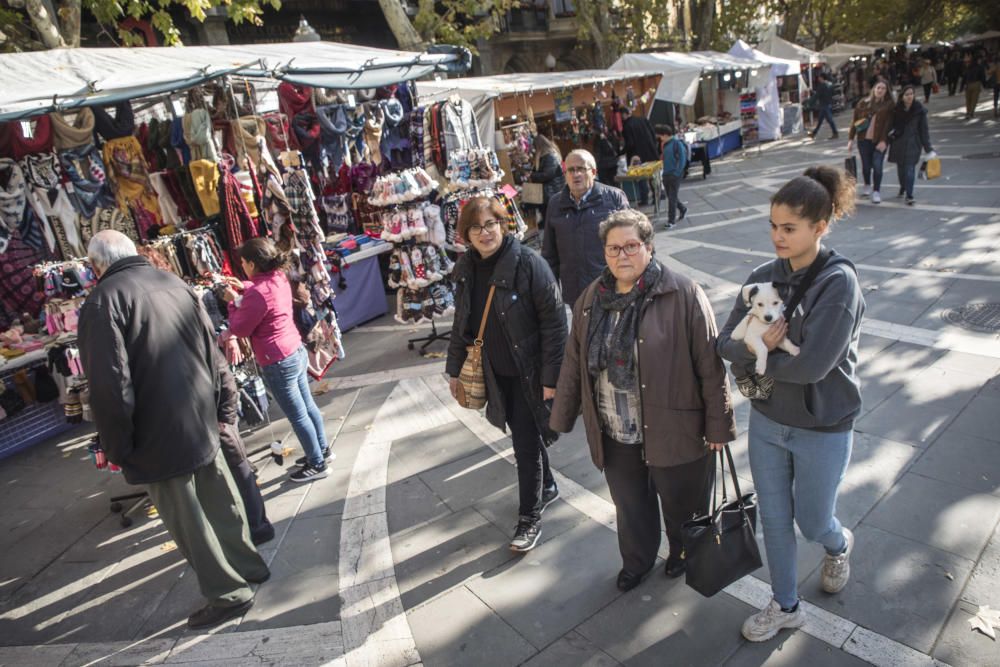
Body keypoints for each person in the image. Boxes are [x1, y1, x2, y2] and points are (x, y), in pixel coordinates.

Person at [78, 230, 269, 630]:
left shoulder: (102, 302)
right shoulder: (172, 282)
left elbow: (110, 386)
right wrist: (224, 405)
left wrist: (117, 445)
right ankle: (249, 567)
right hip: (200, 416)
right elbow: (211, 349)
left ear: (97, 266)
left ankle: (228, 593)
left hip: (157, 433)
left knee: (191, 520)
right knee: (222, 502)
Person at [550, 209, 736, 592]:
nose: (622, 255)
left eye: (631, 246)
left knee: (682, 503)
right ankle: (637, 560)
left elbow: (710, 365)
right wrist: (560, 416)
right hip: (614, 429)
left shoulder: (682, 293)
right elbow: (574, 359)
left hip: (674, 427)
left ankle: (683, 553)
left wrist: (718, 425)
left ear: (649, 247)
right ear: (603, 253)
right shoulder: (591, 298)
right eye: (613, 248)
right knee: (631, 507)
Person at [717, 166, 864, 643]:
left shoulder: (837, 283)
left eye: (789, 228)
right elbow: (723, 342)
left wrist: (761, 359)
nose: (777, 237)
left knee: (814, 520)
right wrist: (755, 350)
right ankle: (785, 605)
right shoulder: (762, 278)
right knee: (776, 520)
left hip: (823, 424)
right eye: (773, 226)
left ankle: (837, 544)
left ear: (820, 227)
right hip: (767, 421)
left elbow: (813, 367)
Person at [446, 196, 567, 552]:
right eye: (475, 227)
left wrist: (551, 378)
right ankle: (547, 487)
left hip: (528, 372)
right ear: (465, 234)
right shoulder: (466, 269)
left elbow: (555, 325)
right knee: (523, 434)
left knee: (525, 445)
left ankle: (529, 518)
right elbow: (460, 324)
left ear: (503, 224)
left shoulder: (529, 264)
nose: (485, 233)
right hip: (496, 374)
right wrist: (454, 369)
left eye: (490, 224)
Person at [219, 237, 330, 483]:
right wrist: (244, 289)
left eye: (243, 262)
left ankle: (317, 463)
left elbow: (241, 328)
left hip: (277, 359)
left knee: (298, 415)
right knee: (307, 405)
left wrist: (231, 303)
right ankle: (321, 450)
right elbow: (260, 297)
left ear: (250, 263)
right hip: (295, 350)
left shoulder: (258, 292)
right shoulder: (278, 278)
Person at [542, 149, 630, 309]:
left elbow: (631, 243)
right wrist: (551, 293)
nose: (576, 175)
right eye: (571, 170)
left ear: (594, 172)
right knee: (583, 334)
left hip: (611, 287)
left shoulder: (614, 198)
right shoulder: (555, 204)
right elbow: (549, 255)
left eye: (581, 169)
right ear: (565, 173)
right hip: (575, 293)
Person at [215, 352, 274, 545]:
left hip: (216, 423)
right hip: (210, 423)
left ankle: (257, 528)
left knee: (239, 471)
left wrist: (227, 419)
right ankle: (253, 528)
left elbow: (225, 376)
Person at [847, 77, 894, 203]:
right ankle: (867, 184)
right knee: (866, 166)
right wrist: (851, 138)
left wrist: (884, 140)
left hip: (880, 141)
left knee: (877, 166)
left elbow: (889, 125)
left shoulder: (889, 105)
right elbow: (855, 121)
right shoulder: (863, 103)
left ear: (886, 91)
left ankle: (876, 191)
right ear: (874, 89)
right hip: (864, 140)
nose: (880, 90)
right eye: (878, 88)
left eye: (883, 88)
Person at [888, 85, 935, 206]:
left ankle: (909, 195)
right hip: (898, 143)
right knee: (901, 169)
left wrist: (928, 148)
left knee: (909, 169)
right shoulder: (896, 110)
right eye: (907, 94)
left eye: (911, 94)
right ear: (902, 97)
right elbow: (890, 126)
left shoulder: (919, 110)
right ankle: (903, 187)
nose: (909, 96)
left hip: (913, 143)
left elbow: (924, 130)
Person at [620, 106, 660, 206]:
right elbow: (652, 134)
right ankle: (657, 195)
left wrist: (620, 152)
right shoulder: (643, 119)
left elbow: (630, 143)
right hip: (651, 152)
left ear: (624, 115)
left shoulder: (627, 126)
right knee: (652, 175)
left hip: (637, 156)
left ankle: (644, 198)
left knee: (641, 177)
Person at [527, 135, 566, 229]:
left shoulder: (550, 156)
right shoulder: (546, 156)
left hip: (551, 191)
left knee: (552, 215)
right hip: (549, 191)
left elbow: (547, 175)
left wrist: (532, 175)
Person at [660, 126, 688, 230]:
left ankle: (671, 221)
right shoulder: (665, 145)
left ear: (666, 135)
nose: (660, 138)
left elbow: (682, 159)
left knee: (672, 198)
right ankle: (683, 208)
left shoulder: (677, 143)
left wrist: (677, 173)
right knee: (671, 196)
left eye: (661, 136)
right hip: (666, 174)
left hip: (674, 175)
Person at [808, 73, 839, 140]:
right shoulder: (830, 84)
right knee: (820, 120)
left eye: (819, 77)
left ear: (822, 78)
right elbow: (832, 93)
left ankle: (835, 133)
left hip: (824, 105)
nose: (818, 78)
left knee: (829, 120)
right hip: (828, 103)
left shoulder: (822, 85)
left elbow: (817, 95)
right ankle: (814, 133)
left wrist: (810, 102)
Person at [961, 54, 987, 119]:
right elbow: (982, 77)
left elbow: (964, 77)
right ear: (978, 60)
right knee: (974, 100)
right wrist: (985, 85)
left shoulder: (968, 66)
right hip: (976, 84)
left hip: (968, 84)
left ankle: (968, 112)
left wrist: (961, 86)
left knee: (968, 100)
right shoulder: (980, 67)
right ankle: (971, 113)